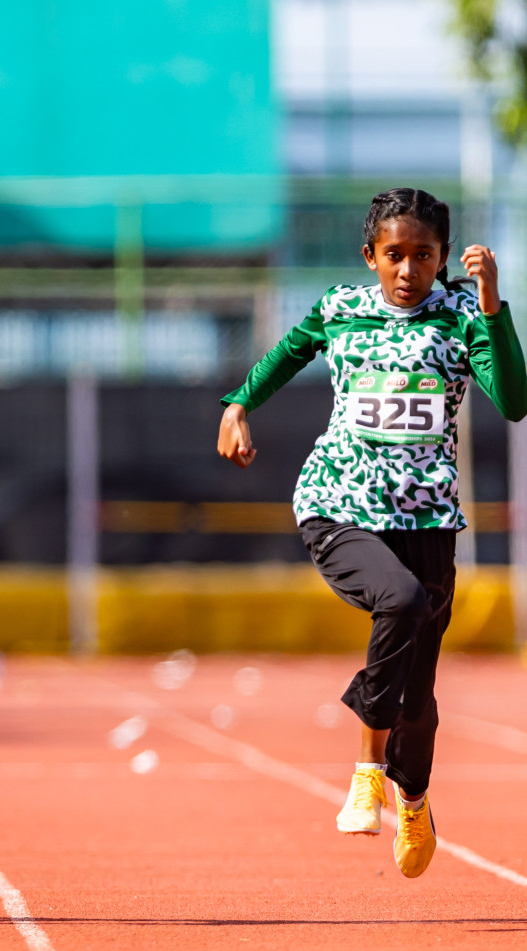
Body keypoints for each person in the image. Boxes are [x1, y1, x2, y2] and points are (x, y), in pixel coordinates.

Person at [216, 188, 526, 878]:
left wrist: (493, 305)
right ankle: (364, 769)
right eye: (395, 255)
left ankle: (412, 798)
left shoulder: (462, 319)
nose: (408, 270)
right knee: (403, 599)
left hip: (427, 518)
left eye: (424, 256)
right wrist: (238, 404)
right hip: (340, 502)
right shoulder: (342, 309)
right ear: (371, 257)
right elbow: (287, 354)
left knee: (420, 702)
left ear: (444, 259)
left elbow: (513, 400)